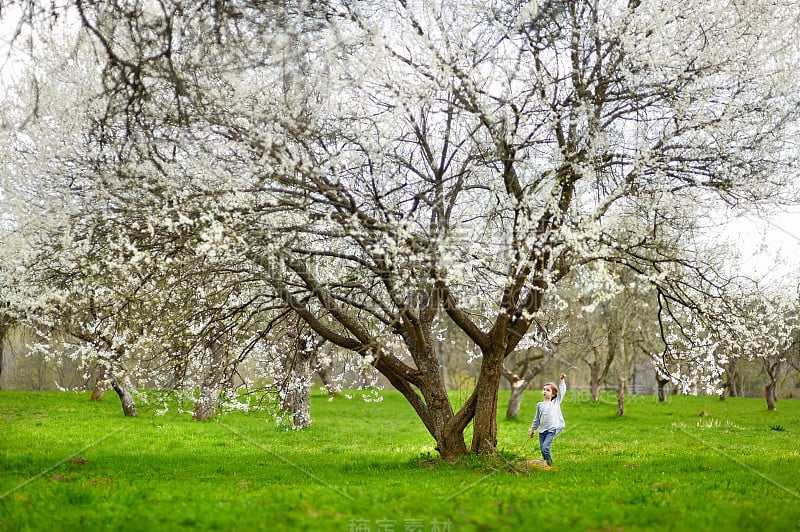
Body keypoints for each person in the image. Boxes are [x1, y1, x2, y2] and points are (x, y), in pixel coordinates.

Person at [529, 373, 567, 466]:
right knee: (542, 449)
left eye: (548, 390)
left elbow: (562, 392)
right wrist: (532, 429)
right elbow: (536, 418)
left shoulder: (556, 402)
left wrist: (561, 381)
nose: (545, 391)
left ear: (553, 394)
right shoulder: (540, 405)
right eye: (544, 390)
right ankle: (546, 465)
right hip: (542, 431)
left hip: (551, 430)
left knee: (545, 448)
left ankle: (552, 465)